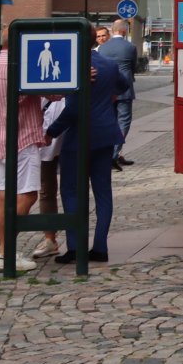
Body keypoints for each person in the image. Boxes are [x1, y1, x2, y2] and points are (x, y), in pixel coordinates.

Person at [46, 28, 125, 264]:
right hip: (104, 134)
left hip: (78, 137)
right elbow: (122, 86)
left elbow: (72, 109)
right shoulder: (109, 64)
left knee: (70, 191)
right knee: (103, 192)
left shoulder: (72, 65)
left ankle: (75, 246)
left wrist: (51, 132)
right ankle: (100, 247)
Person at [0, 33, 46, 272]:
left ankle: (2, 251)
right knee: (27, 195)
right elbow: (55, 93)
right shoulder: (21, 67)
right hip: (23, 139)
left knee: (3, 196)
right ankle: (6, 252)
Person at [98, 19, 137, 170]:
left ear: (113, 30)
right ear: (124, 31)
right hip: (125, 89)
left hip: (107, 89)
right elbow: (133, 68)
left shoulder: (103, 48)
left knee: (110, 121)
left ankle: (109, 153)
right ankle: (114, 154)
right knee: (124, 121)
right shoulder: (130, 47)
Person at [32, 96, 65, 259]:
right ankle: (50, 239)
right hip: (44, 129)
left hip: (70, 128)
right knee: (46, 190)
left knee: (72, 189)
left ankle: (75, 240)